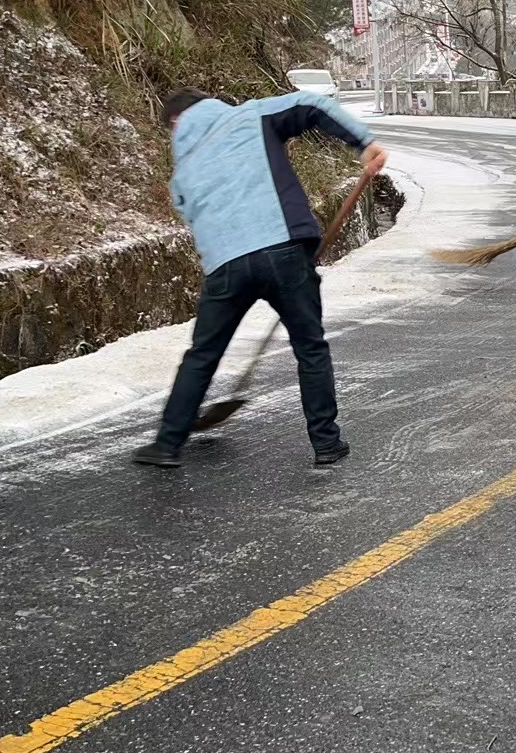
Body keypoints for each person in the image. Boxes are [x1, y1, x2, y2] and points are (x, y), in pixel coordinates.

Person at [134, 87, 386, 469]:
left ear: (176, 123)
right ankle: (326, 443)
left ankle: (168, 444)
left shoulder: (182, 173)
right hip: (284, 249)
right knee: (310, 347)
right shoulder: (251, 116)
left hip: (225, 266)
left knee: (202, 355)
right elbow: (312, 104)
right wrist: (363, 143)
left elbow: (189, 212)